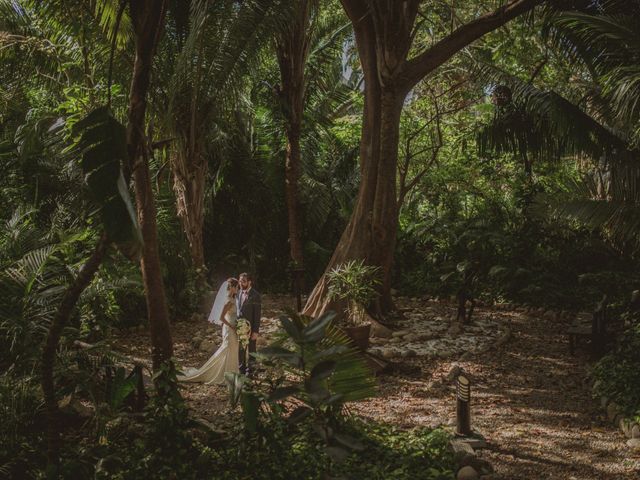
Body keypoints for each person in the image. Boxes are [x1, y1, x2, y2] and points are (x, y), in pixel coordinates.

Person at [179, 278, 239, 384]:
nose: (238, 289)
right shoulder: (229, 301)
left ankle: (231, 372)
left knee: (233, 349)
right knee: (227, 348)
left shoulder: (233, 298)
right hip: (229, 329)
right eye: (237, 287)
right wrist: (232, 326)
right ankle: (222, 373)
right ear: (233, 287)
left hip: (233, 327)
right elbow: (221, 317)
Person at [237, 272, 261, 376]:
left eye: (244, 281)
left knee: (252, 349)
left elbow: (257, 314)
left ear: (249, 282)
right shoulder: (238, 293)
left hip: (251, 326)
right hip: (241, 326)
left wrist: (255, 331)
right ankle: (241, 371)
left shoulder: (255, 295)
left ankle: (251, 372)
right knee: (241, 349)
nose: (241, 283)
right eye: (240, 281)